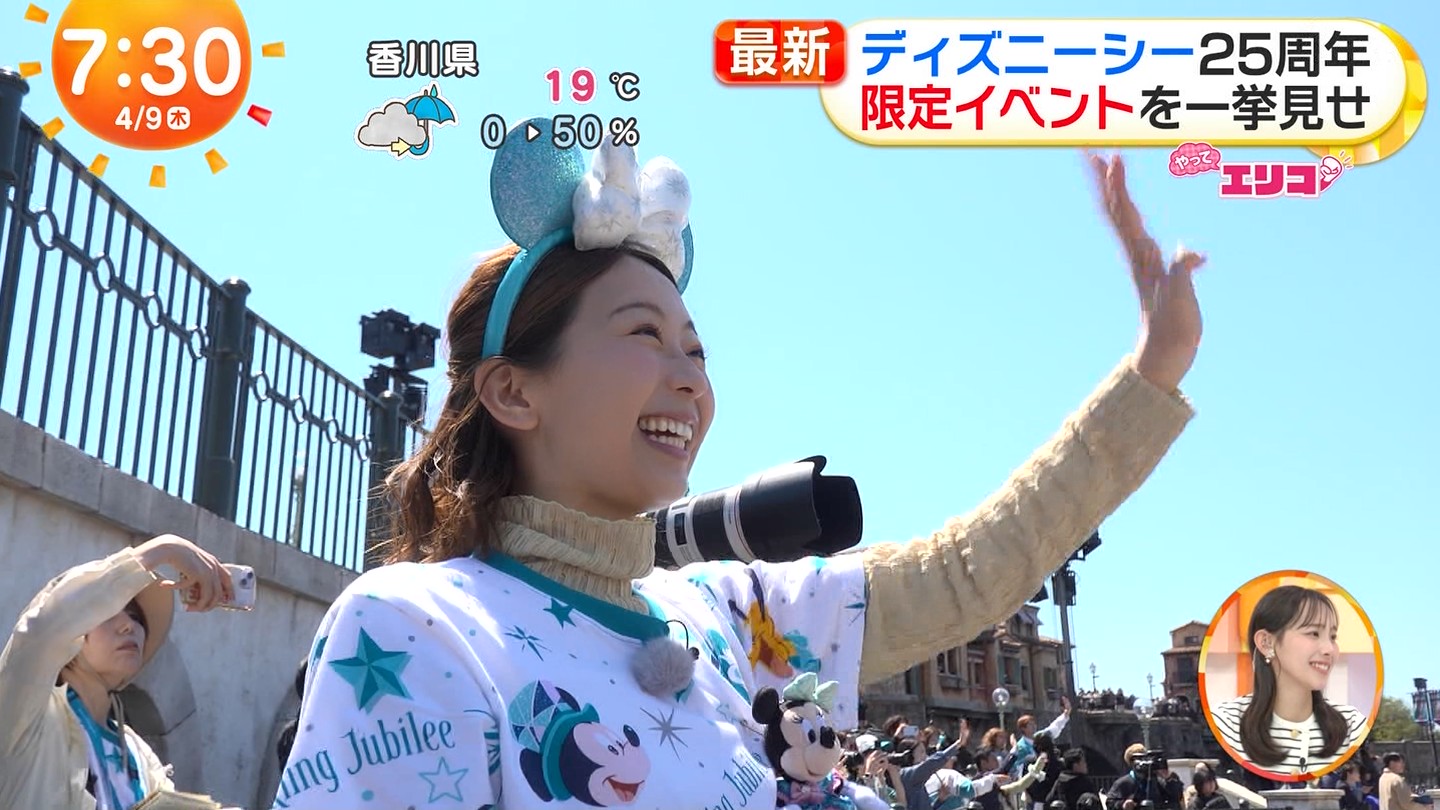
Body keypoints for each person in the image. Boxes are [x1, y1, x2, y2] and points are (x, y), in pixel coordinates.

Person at [274, 118, 1203, 810]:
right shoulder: (416, 626)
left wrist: (1151, 371)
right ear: (514, 392)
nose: (690, 378)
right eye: (645, 334)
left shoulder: (725, 613)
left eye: (697, 349)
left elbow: (967, 572)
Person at [0, 535, 233, 810]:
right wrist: (164, 549)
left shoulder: (138, 752)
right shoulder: (29, 719)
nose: (129, 626)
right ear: (71, 631)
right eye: (108, 614)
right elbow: (41, 631)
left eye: (136, 617)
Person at [1209, 584, 1368, 779]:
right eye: (1313, 633)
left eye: (1332, 637)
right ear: (1266, 642)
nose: (1329, 649)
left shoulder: (1352, 724)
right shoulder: (1226, 722)